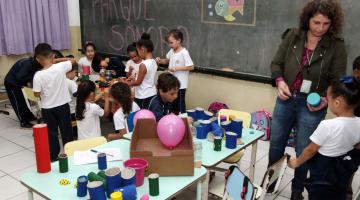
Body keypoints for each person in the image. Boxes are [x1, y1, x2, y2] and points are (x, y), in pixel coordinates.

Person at [268, 0, 347, 199]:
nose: (321, 28)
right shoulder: (293, 36)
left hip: (312, 105)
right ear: (307, 20)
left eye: (326, 24)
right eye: (316, 23)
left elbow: (337, 80)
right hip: (286, 98)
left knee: (303, 150)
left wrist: (325, 100)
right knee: (276, 144)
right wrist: (279, 81)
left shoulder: (336, 46)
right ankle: (270, 182)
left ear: (332, 23)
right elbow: (276, 63)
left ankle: (297, 191)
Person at [288, 77, 360, 200]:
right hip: (343, 172)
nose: (327, 101)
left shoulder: (327, 125)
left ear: (337, 102)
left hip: (324, 174)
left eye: (328, 98)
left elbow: (311, 150)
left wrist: (297, 162)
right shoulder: (359, 122)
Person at [4, 44, 72, 128]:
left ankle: (28, 116)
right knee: (18, 101)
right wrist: (32, 80)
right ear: (39, 59)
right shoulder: (28, 64)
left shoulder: (37, 63)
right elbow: (20, 77)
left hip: (19, 82)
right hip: (12, 83)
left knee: (23, 101)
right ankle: (23, 121)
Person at [32, 43, 75, 161]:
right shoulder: (61, 67)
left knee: (51, 133)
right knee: (66, 130)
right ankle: (70, 154)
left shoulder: (38, 76)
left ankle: (54, 156)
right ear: (53, 56)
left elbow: (36, 93)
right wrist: (57, 59)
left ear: (37, 59)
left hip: (47, 109)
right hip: (63, 106)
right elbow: (72, 60)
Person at [156, 29, 194, 114]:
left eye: (171, 42)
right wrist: (160, 60)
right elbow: (167, 60)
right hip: (171, 83)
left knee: (179, 107)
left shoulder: (184, 52)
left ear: (179, 40)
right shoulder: (172, 51)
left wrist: (177, 68)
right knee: (171, 105)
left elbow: (191, 67)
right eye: (169, 43)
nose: (170, 45)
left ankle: (183, 121)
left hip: (180, 85)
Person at [124, 33, 158, 109]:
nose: (138, 54)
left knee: (141, 117)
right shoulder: (154, 62)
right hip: (152, 93)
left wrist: (124, 83)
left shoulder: (143, 65)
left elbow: (138, 82)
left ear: (142, 49)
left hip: (143, 96)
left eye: (138, 51)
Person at [66, 63, 79, 139]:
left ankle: (70, 133)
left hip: (65, 106)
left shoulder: (62, 80)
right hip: (73, 107)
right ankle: (75, 135)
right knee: (74, 123)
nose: (75, 75)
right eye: (75, 72)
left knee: (68, 122)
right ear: (69, 72)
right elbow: (75, 94)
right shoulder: (71, 82)